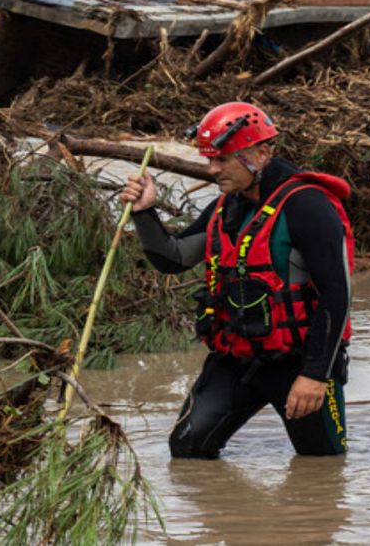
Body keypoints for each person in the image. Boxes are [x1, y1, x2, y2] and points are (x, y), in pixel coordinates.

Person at [119, 101, 353, 459]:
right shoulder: (226, 206)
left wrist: (315, 375)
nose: (212, 169)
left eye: (223, 159)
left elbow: (336, 295)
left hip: (299, 363)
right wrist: (144, 212)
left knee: (322, 468)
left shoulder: (307, 205)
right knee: (187, 450)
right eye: (210, 160)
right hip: (236, 359)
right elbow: (173, 258)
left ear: (262, 154)